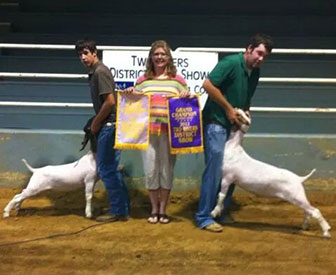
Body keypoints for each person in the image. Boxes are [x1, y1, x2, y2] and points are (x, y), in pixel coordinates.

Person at [195, 34, 274, 232]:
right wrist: (229, 109)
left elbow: (246, 99)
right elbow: (207, 85)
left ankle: (220, 210)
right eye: (259, 53)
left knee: (231, 169)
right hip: (216, 123)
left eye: (265, 56)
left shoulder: (254, 72)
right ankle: (203, 216)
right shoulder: (230, 63)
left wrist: (245, 115)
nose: (261, 59)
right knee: (214, 168)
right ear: (249, 48)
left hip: (232, 126)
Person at [124, 40, 189, 224]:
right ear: (151, 58)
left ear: (168, 57)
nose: (160, 57)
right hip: (148, 133)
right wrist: (130, 92)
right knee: (151, 170)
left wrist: (185, 95)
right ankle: (153, 210)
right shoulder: (142, 81)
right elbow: (134, 102)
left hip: (170, 134)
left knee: (166, 171)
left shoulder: (178, 81)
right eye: (156, 54)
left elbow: (187, 104)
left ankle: (163, 210)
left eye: (163, 54)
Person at [75, 38, 130, 222]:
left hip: (108, 125)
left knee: (106, 169)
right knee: (111, 168)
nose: (82, 57)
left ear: (94, 52)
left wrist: (96, 123)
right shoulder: (97, 72)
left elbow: (110, 101)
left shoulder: (100, 72)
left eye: (85, 53)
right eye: (80, 54)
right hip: (111, 124)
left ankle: (117, 210)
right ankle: (121, 207)